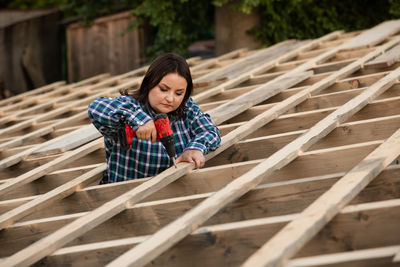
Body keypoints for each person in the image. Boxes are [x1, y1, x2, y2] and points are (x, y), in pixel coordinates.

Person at [88, 53, 221, 184]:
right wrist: (139, 120)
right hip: (126, 194)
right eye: (163, 89)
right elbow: (96, 107)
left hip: (173, 190)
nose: (170, 99)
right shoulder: (128, 107)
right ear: (149, 84)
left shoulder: (187, 108)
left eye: (179, 93)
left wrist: (195, 148)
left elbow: (211, 131)